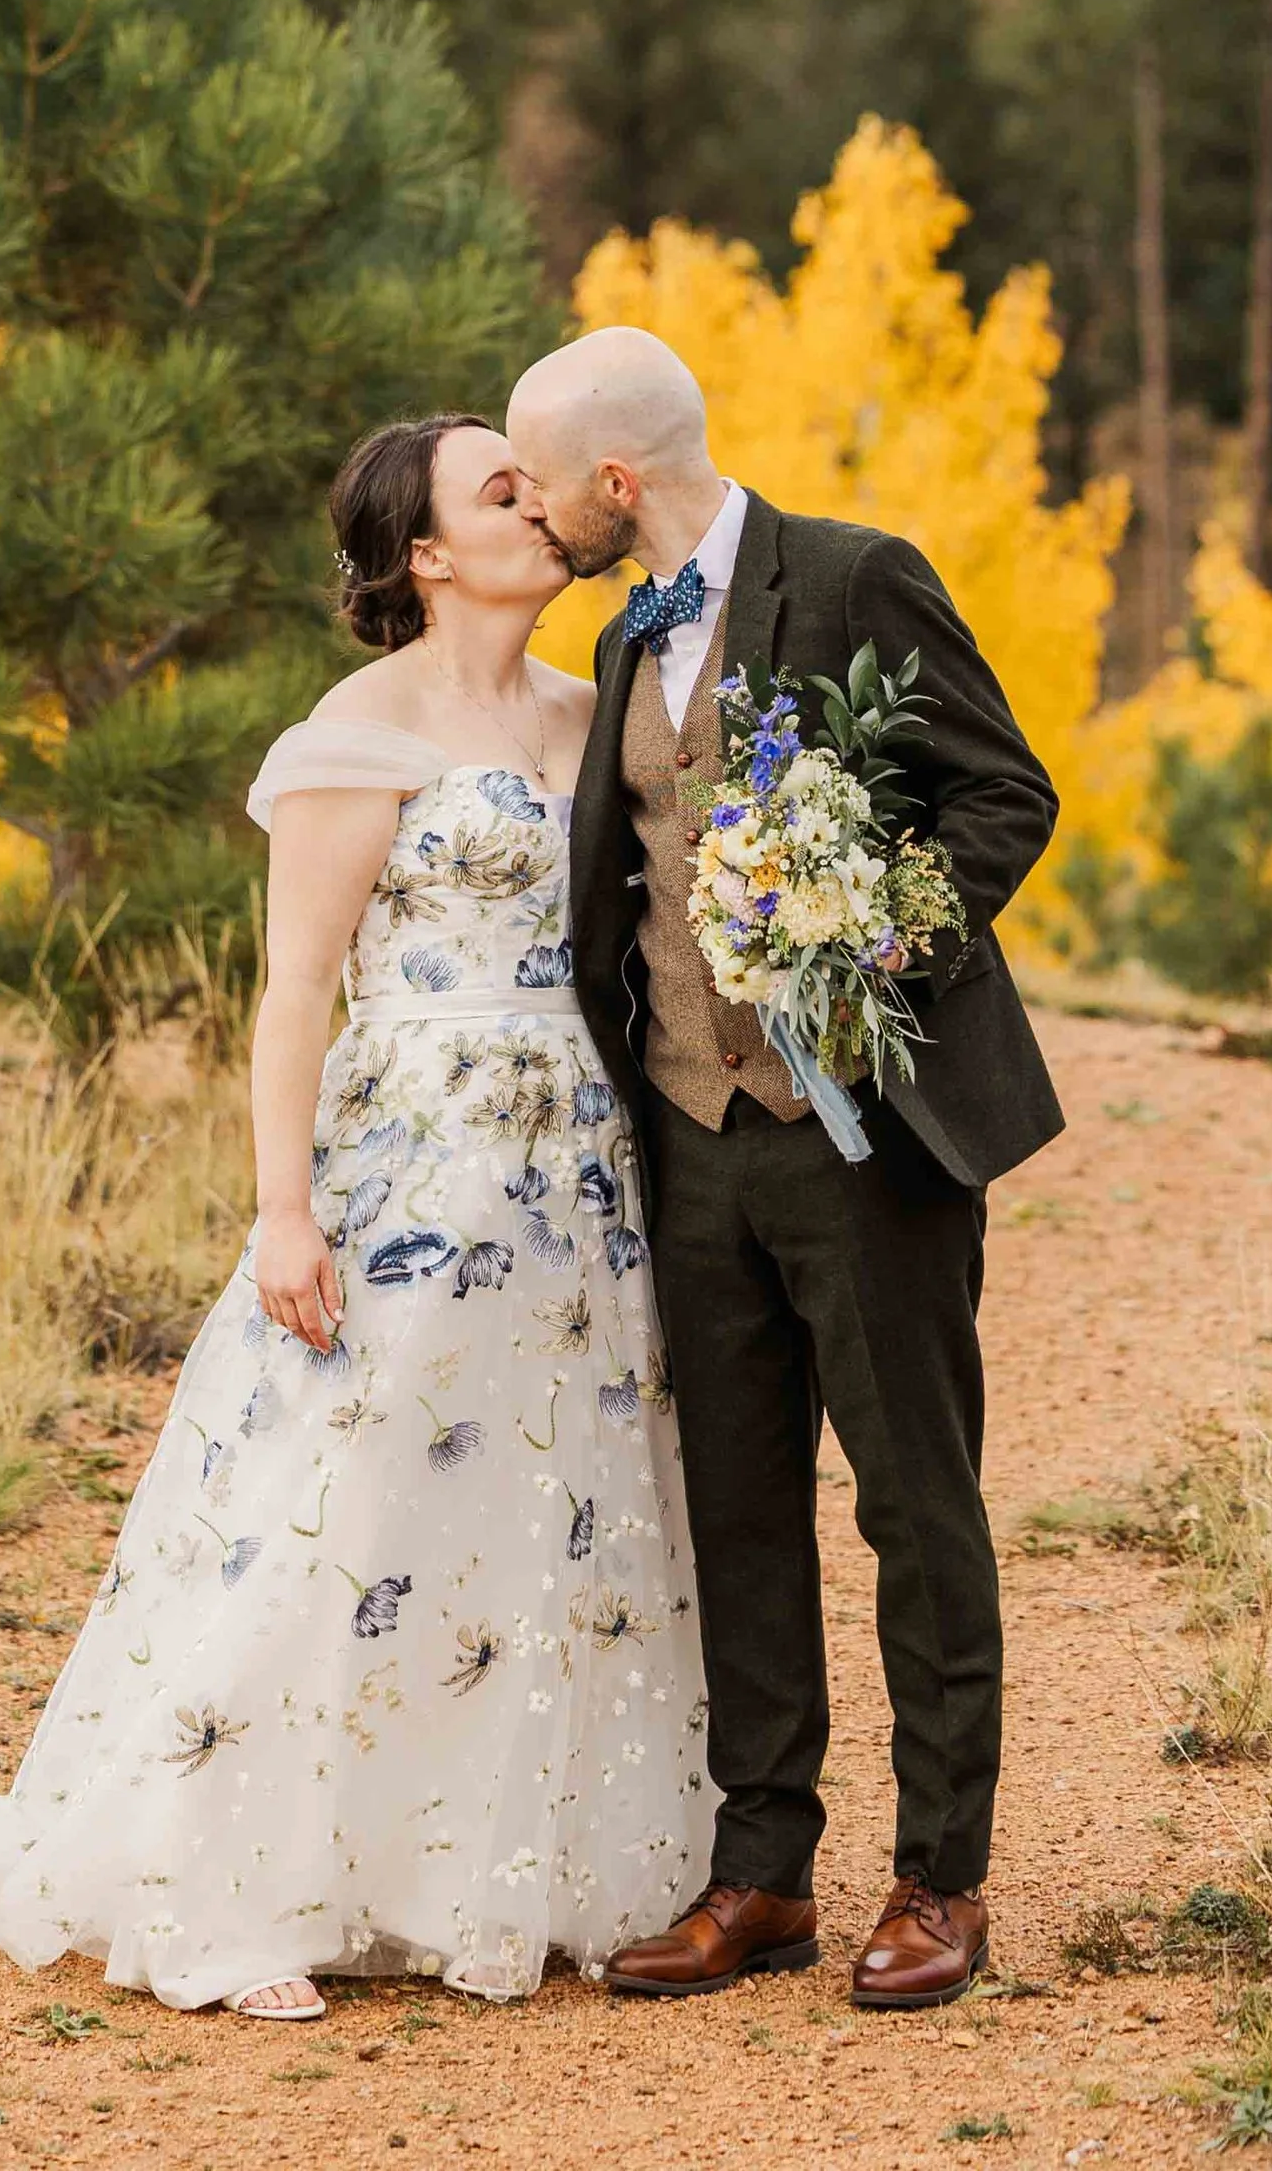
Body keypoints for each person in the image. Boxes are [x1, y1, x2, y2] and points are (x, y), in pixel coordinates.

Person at [0, 412, 712, 2016]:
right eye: (500, 489)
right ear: (426, 552)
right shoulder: (359, 731)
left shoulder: (595, 706)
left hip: (583, 1172)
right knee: (351, 1497)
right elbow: (289, 998)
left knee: (553, 1496)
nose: (539, 505)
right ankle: (257, 1853)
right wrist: (285, 1210)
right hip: (414, 1164)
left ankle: (497, 1848)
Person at [506, 327, 1061, 2012]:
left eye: (542, 480)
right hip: (692, 1135)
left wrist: (871, 930)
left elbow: (1002, 795)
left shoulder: (855, 577)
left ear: (619, 479)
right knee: (737, 1511)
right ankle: (764, 1874)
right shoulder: (618, 639)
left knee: (912, 1499)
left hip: (867, 1139)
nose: (532, 511)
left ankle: (939, 1878)